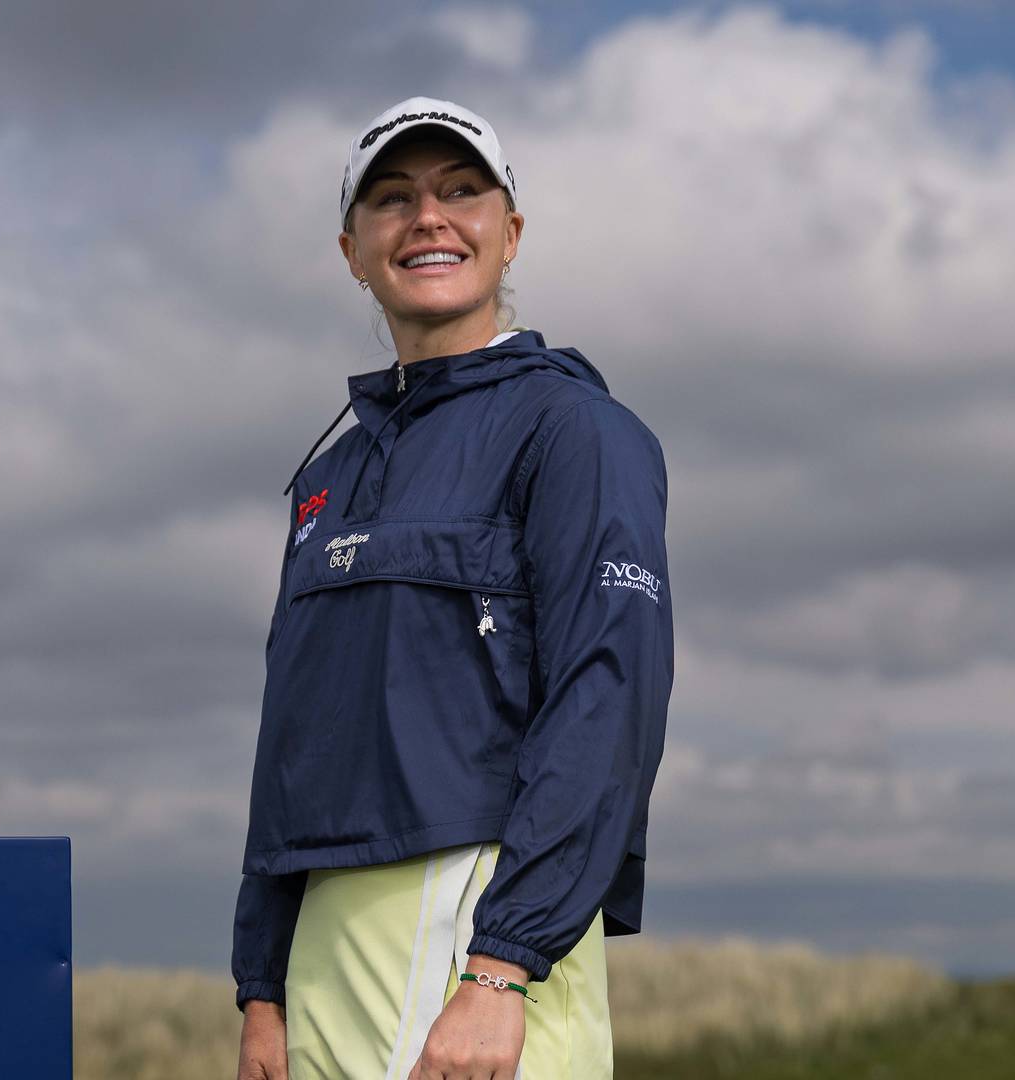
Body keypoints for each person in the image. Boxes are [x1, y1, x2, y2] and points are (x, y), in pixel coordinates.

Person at [233, 96, 674, 1080]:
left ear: (508, 234)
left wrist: (502, 968)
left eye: (460, 190)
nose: (427, 216)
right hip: (321, 961)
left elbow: (607, 699)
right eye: (392, 198)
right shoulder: (327, 478)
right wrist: (262, 983)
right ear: (352, 250)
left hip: (471, 945)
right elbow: (290, 741)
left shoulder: (576, 431)